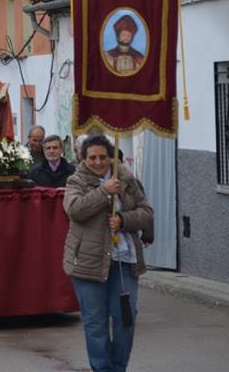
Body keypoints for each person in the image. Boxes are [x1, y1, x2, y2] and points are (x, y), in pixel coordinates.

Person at [64, 135, 153, 372]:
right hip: (88, 263)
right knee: (96, 324)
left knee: (126, 319)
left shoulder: (126, 179)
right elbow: (75, 210)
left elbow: (146, 212)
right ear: (84, 158)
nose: (98, 162)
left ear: (110, 157)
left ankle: (118, 368)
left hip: (124, 261)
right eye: (92, 157)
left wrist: (124, 219)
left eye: (103, 157)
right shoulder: (76, 181)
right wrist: (103, 191)